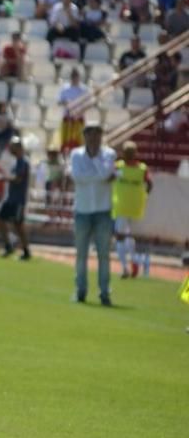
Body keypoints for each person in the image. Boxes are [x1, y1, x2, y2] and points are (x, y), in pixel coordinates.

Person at [68, 123, 116, 305]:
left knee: (104, 254)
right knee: (81, 254)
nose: (94, 138)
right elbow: (78, 177)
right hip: (83, 210)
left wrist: (96, 165)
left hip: (103, 210)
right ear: (85, 136)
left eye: (97, 135)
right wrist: (100, 175)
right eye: (90, 134)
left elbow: (105, 174)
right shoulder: (76, 155)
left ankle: (105, 292)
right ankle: (81, 291)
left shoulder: (109, 154)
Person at [112, 141, 152, 279]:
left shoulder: (119, 167)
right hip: (136, 207)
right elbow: (149, 185)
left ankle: (125, 267)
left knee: (121, 237)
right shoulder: (142, 168)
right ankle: (135, 262)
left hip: (122, 206)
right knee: (130, 236)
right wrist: (144, 196)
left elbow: (108, 179)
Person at [0, 136, 32, 260]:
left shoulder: (23, 162)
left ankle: (26, 250)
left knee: (18, 225)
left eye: (12, 147)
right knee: (0, 219)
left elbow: (18, 179)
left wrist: (4, 178)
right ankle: (8, 245)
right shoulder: (16, 161)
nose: (10, 149)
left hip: (18, 199)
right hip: (11, 198)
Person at [58, 68, 89, 154]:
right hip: (67, 118)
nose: (75, 78)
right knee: (66, 141)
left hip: (79, 119)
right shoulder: (65, 88)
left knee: (78, 141)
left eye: (76, 76)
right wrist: (67, 104)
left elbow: (87, 103)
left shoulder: (83, 89)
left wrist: (79, 111)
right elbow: (60, 101)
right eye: (73, 76)